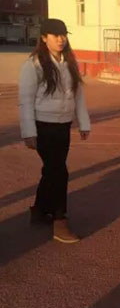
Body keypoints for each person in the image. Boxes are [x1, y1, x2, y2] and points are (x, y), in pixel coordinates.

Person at [18, 18, 91, 243]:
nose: (61, 39)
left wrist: (83, 122)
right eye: (55, 35)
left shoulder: (70, 63)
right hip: (43, 126)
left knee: (51, 170)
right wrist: (28, 131)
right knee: (59, 171)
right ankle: (60, 220)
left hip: (63, 125)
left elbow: (78, 95)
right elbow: (25, 100)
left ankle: (40, 210)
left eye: (63, 35)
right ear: (44, 38)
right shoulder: (34, 65)